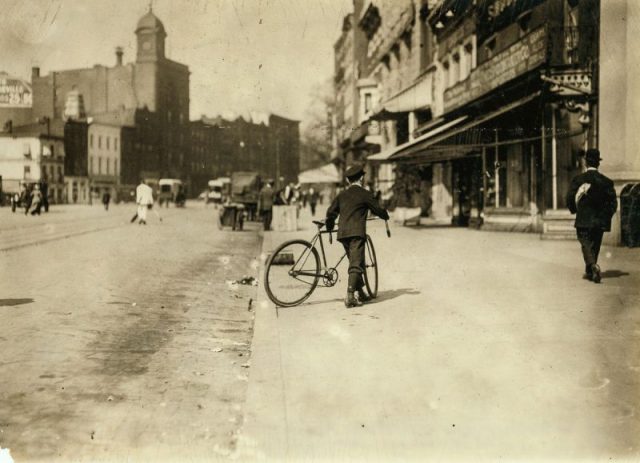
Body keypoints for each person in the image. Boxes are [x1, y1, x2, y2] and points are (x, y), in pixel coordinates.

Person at [325, 165, 389, 308]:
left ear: (348, 180)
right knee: (355, 263)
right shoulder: (365, 194)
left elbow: (330, 212)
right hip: (356, 233)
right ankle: (350, 295)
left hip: (342, 234)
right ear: (361, 178)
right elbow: (377, 209)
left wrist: (329, 227)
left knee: (356, 260)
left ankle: (360, 292)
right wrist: (385, 215)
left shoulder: (341, 195)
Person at [566, 148, 618, 283]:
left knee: (586, 244)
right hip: (600, 220)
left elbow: (569, 197)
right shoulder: (607, 182)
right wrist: (606, 216)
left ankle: (593, 266)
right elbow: (613, 203)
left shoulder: (578, 179)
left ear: (585, 163)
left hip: (583, 219)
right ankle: (591, 270)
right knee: (595, 244)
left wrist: (574, 210)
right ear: (598, 163)